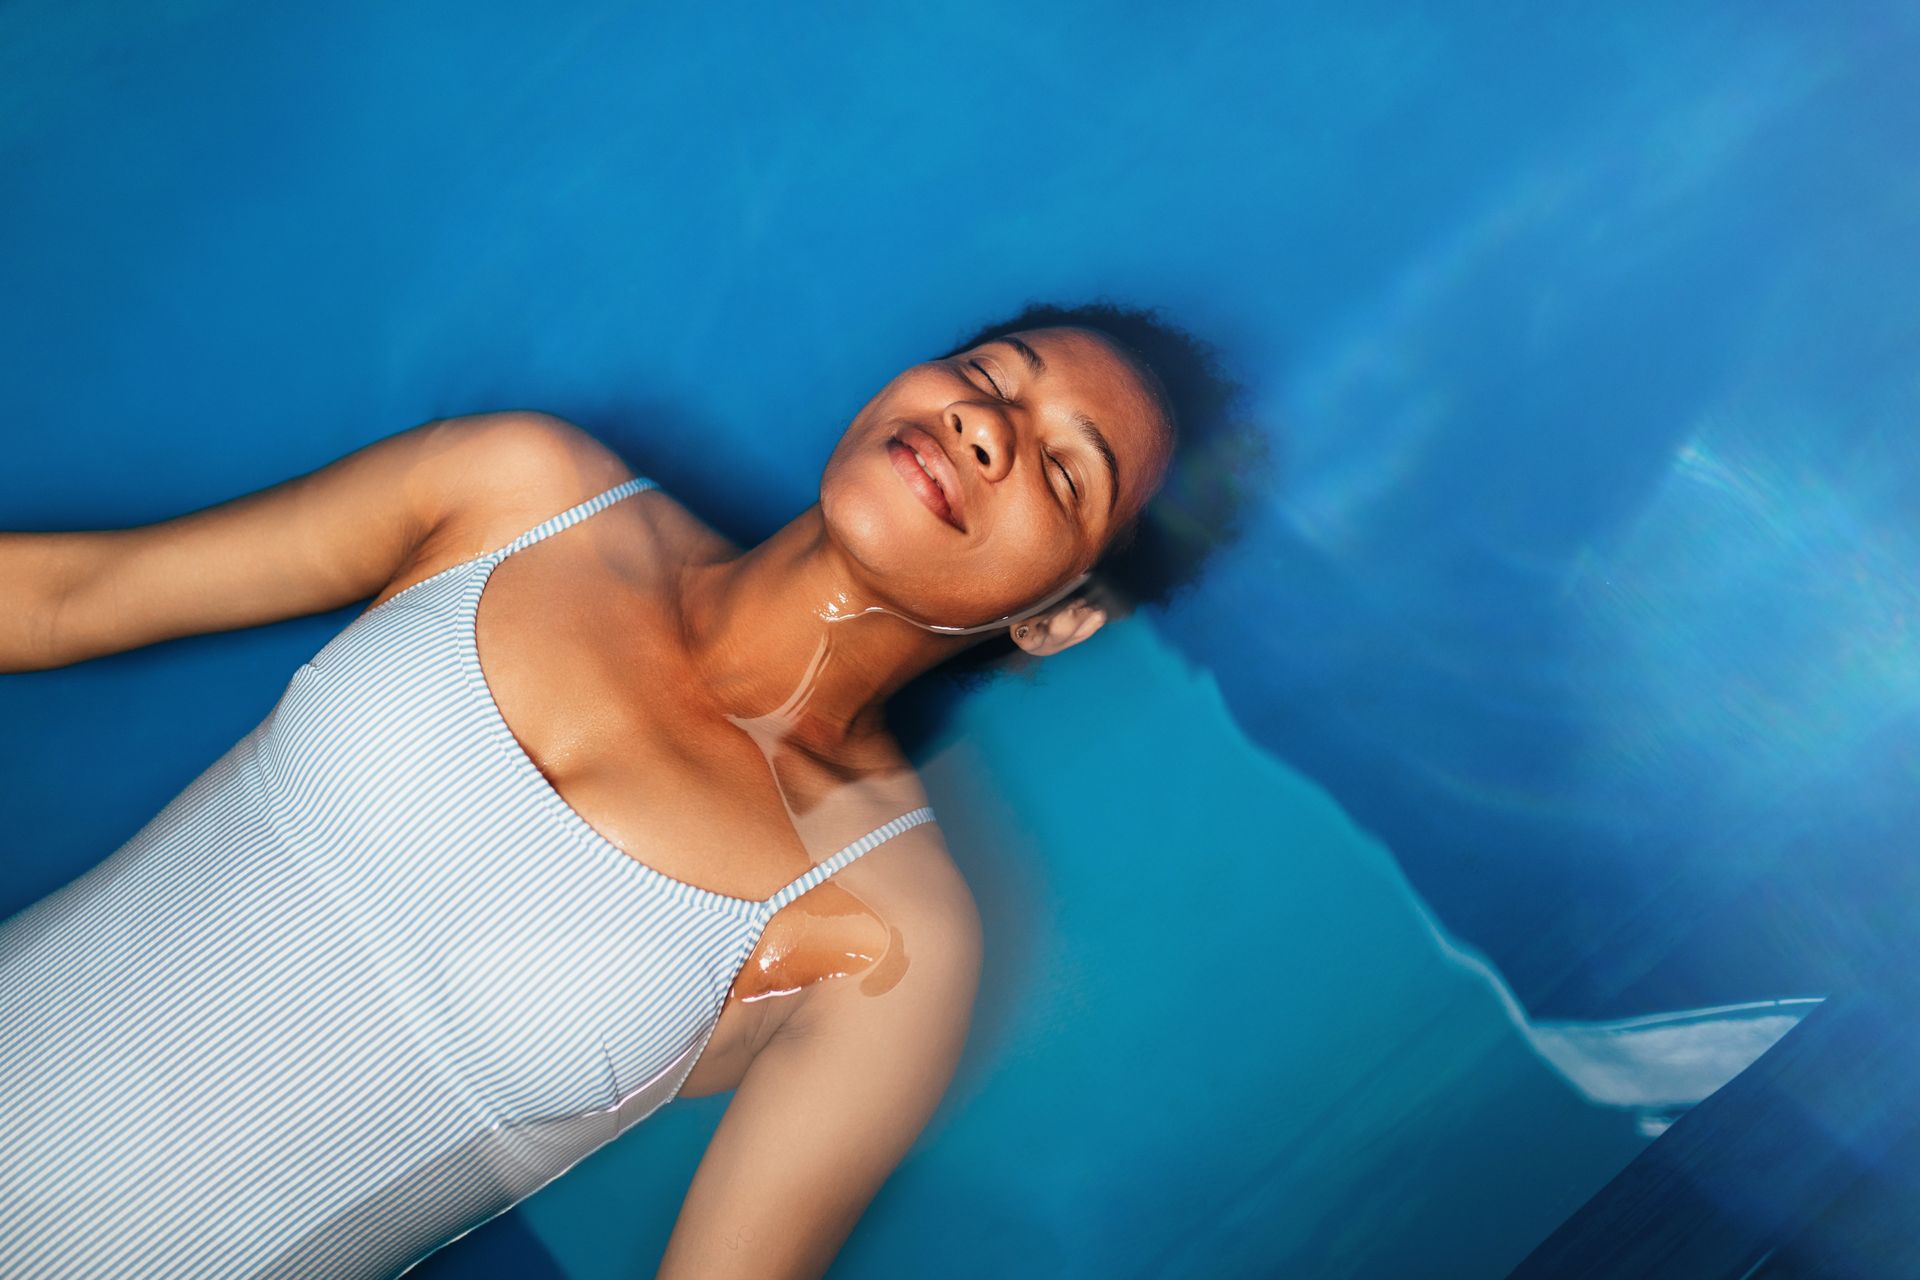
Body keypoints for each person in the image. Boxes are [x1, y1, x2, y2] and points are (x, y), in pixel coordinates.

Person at [0, 299, 1264, 1279]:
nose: (987, 426)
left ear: (1063, 618)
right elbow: (64, 597)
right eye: (989, 374)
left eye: (1062, 471)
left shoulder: (888, 936)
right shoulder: (519, 488)